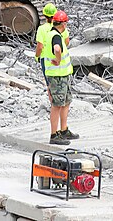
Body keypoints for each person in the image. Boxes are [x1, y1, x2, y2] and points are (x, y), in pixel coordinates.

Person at [45, 10, 77, 145]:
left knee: (66, 102)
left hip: (62, 76)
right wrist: (57, 60)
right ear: (63, 24)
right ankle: (54, 135)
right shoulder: (56, 36)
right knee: (57, 105)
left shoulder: (54, 34)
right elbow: (57, 49)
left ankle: (64, 130)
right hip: (57, 77)